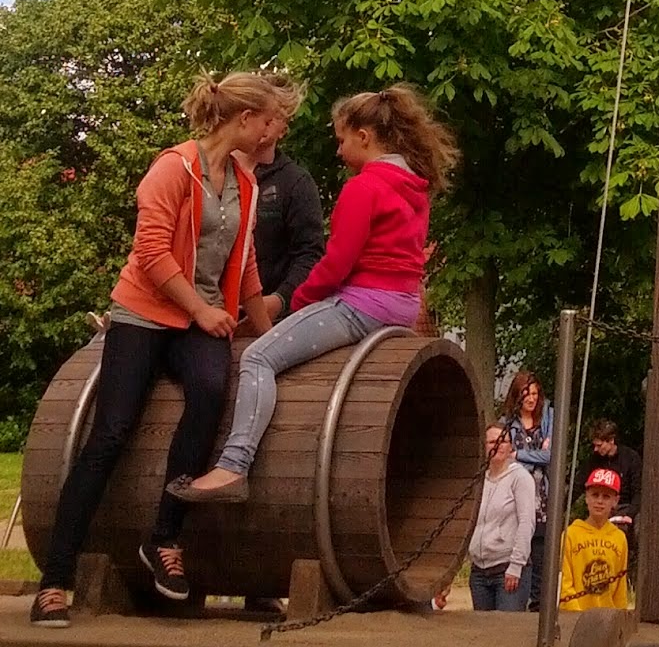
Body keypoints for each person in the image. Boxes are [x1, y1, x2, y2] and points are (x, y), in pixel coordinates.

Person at [30, 71, 296, 628]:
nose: (273, 133)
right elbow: (151, 253)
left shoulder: (246, 185)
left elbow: (244, 265)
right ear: (244, 119)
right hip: (145, 314)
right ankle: (55, 579)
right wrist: (200, 310)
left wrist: (266, 332)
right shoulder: (173, 168)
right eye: (268, 121)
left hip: (199, 319)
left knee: (209, 393)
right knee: (110, 434)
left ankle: (164, 538)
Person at [170, 83, 457, 503]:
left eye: (342, 140)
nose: (339, 151)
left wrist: (298, 303)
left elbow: (336, 263)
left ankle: (233, 466)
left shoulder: (364, 187)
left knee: (258, 357)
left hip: (362, 303)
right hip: (402, 305)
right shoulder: (414, 187)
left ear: (364, 136)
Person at [250, 127, 325, 324]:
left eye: (271, 117)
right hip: (209, 313)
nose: (263, 124)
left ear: (283, 127)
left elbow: (310, 253)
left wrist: (280, 300)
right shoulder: (213, 174)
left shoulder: (297, 181)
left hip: (275, 318)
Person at [467, 422, 538, 611]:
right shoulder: (478, 480)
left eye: (503, 441)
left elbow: (526, 523)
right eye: (492, 442)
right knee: (481, 628)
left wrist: (516, 566)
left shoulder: (520, 478)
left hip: (507, 569)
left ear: (510, 446)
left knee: (506, 627)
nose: (497, 446)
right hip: (479, 571)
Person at [502, 368, 553, 609]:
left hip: (542, 499)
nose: (532, 398)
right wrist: (536, 456)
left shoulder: (548, 419)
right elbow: (505, 458)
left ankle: (537, 608)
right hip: (516, 496)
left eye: (535, 393)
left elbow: (549, 456)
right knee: (520, 550)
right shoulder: (507, 424)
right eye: (526, 394)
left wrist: (520, 454)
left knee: (540, 556)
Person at [558, 467, 629, 611]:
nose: (599, 501)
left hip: (607, 617)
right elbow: (564, 583)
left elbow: (620, 588)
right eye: (595, 495)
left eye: (606, 496)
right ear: (586, 497)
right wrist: (576, 614)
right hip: (575, 616)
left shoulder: (619, 538)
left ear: (615, 501)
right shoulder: (571, 534)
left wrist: (620, 615)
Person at [588, 419, 641, 571]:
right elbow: (580, 483)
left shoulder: (631, 458)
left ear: (611, 441)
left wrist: (629, 514)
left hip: (626, 507)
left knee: (633, 530)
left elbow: (638, 491)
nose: (596, 449)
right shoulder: (595, 460)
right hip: (604, 508)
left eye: (599, 445)